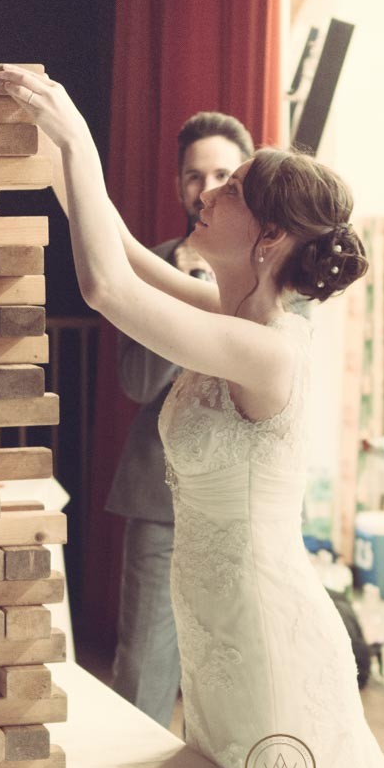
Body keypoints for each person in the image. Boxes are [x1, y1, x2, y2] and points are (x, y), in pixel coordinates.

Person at [0, 65, 384, 768]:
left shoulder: (271, 348)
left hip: (264, 630)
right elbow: (117, 245)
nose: (210, 193)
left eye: (230, 187)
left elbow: (104, 287)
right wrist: (49, 154)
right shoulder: (219, 309)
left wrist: (82, 130)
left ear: (266, 238)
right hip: (219, 623)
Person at [106, 111, 254, 727]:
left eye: (223, 173)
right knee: (143, 668)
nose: (207, 188)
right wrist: (187, 281)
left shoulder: (271, 272)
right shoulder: (151, 266)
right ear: (178, 186)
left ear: (244, 180)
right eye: (195, 176)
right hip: (156, 497)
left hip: (238, 502)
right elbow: (138, 383)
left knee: (236, 670)